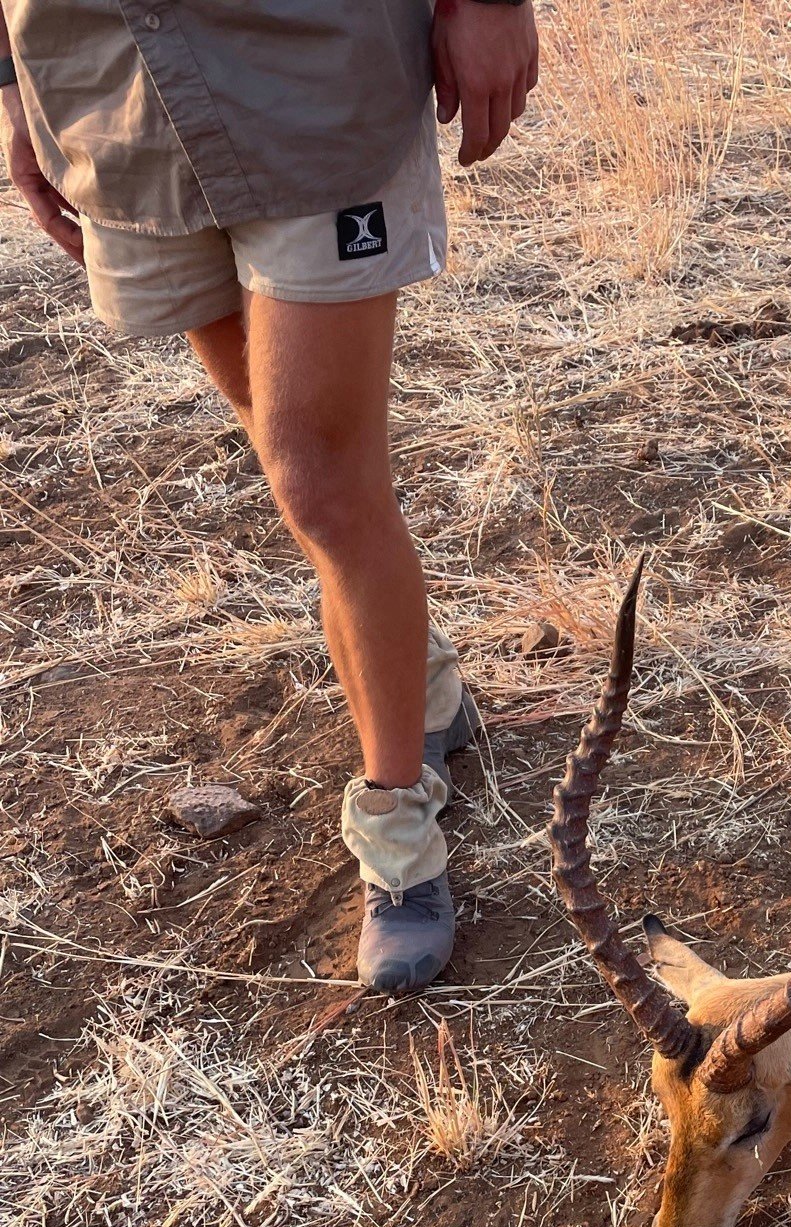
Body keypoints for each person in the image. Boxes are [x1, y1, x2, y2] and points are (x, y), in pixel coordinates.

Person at [0, 0, 538, 994]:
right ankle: (422, 692)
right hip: (104, 86)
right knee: (293, 457)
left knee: (319, 483)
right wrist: (14, 85)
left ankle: (397, 826)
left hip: (311, 76)